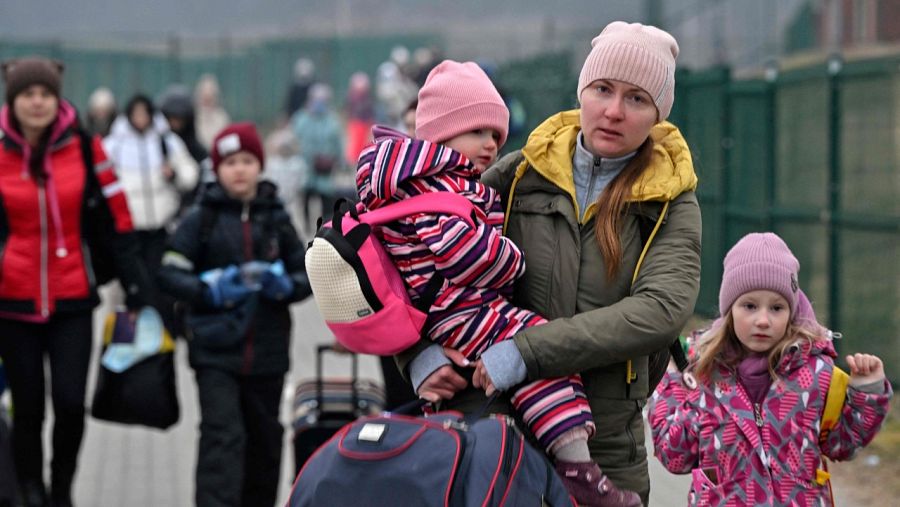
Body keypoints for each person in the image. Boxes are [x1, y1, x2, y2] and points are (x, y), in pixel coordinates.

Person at [407, 22, 700, 505]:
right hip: (492, 430)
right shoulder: (521, 174)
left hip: (603, 447)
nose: (613, 111)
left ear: (658, 115)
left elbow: (660, 312)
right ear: (581, 90)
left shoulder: (670, 200)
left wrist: (527, 351)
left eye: (637, 99)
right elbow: (406, 253)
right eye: (602, 89)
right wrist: (418, 354)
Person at [356, 60, 641, 506]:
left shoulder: (422, 182)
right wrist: (513, 258)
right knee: (542, 350)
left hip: (453, 313)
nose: (490, 145)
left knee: (530, 365)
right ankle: (577, 468)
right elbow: (466, 256)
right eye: (478, 133)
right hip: (460, 312)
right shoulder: (434, 190)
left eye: (496, 135)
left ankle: (571, 465)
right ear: (442, 134)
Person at [0, 56, 152, 507]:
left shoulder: (86, 148)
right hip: (12, 300)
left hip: (73, 297)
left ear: (56, 98)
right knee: (27, 407)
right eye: (28, 94)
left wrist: (139, 286)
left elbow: (118, 217)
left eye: (45, 94)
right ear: (14, 100)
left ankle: (62, 486)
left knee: (69, 403)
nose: (37, 102)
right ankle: (30, 489)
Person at [648, 232, 892, 505]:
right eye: (749, 306)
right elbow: (675, 456)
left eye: (776, 307)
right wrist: (669, 380)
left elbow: (842, 444)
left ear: (792, 311)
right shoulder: (703, 374)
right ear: (729, 310)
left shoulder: (816, 374)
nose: (763, 320)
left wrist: (867, 392)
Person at [157, 122, 311, 507]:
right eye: (229, 163)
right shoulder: (201, 218)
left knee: (264, 442)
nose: (239, 170)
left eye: (247, 160)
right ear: (217, 169)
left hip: (268, 355)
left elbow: (308, 272)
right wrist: (208, 290)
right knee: (222, 440)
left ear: (260, 165)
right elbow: (170, 270)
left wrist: (285, 286)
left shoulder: (275, 215)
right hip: (214, 352)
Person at [102, 94, 199, 332]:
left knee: (160, 289)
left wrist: (173, 175)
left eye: (145, 113)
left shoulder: (166, 141)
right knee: (128, 291)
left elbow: (190, 174)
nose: (141, 119)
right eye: (136, 114)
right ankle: (123, 346)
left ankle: (161, 343)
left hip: (160, 228)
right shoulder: (114, 144)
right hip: (127, 230)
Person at [291, 83, 344, 228]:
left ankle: (325, 226)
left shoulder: (332, 121)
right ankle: (307, 225)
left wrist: (340, 160)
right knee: (306, 196)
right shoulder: (301, 118)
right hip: (306, 166)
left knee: (326, 198)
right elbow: (294, 139)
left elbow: (338, 143)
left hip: (324, 166)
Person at [194, 74, 231, 150]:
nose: (207, 97)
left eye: (210, 96)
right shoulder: (193, 116)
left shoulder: (222, 117)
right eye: (204, 95)